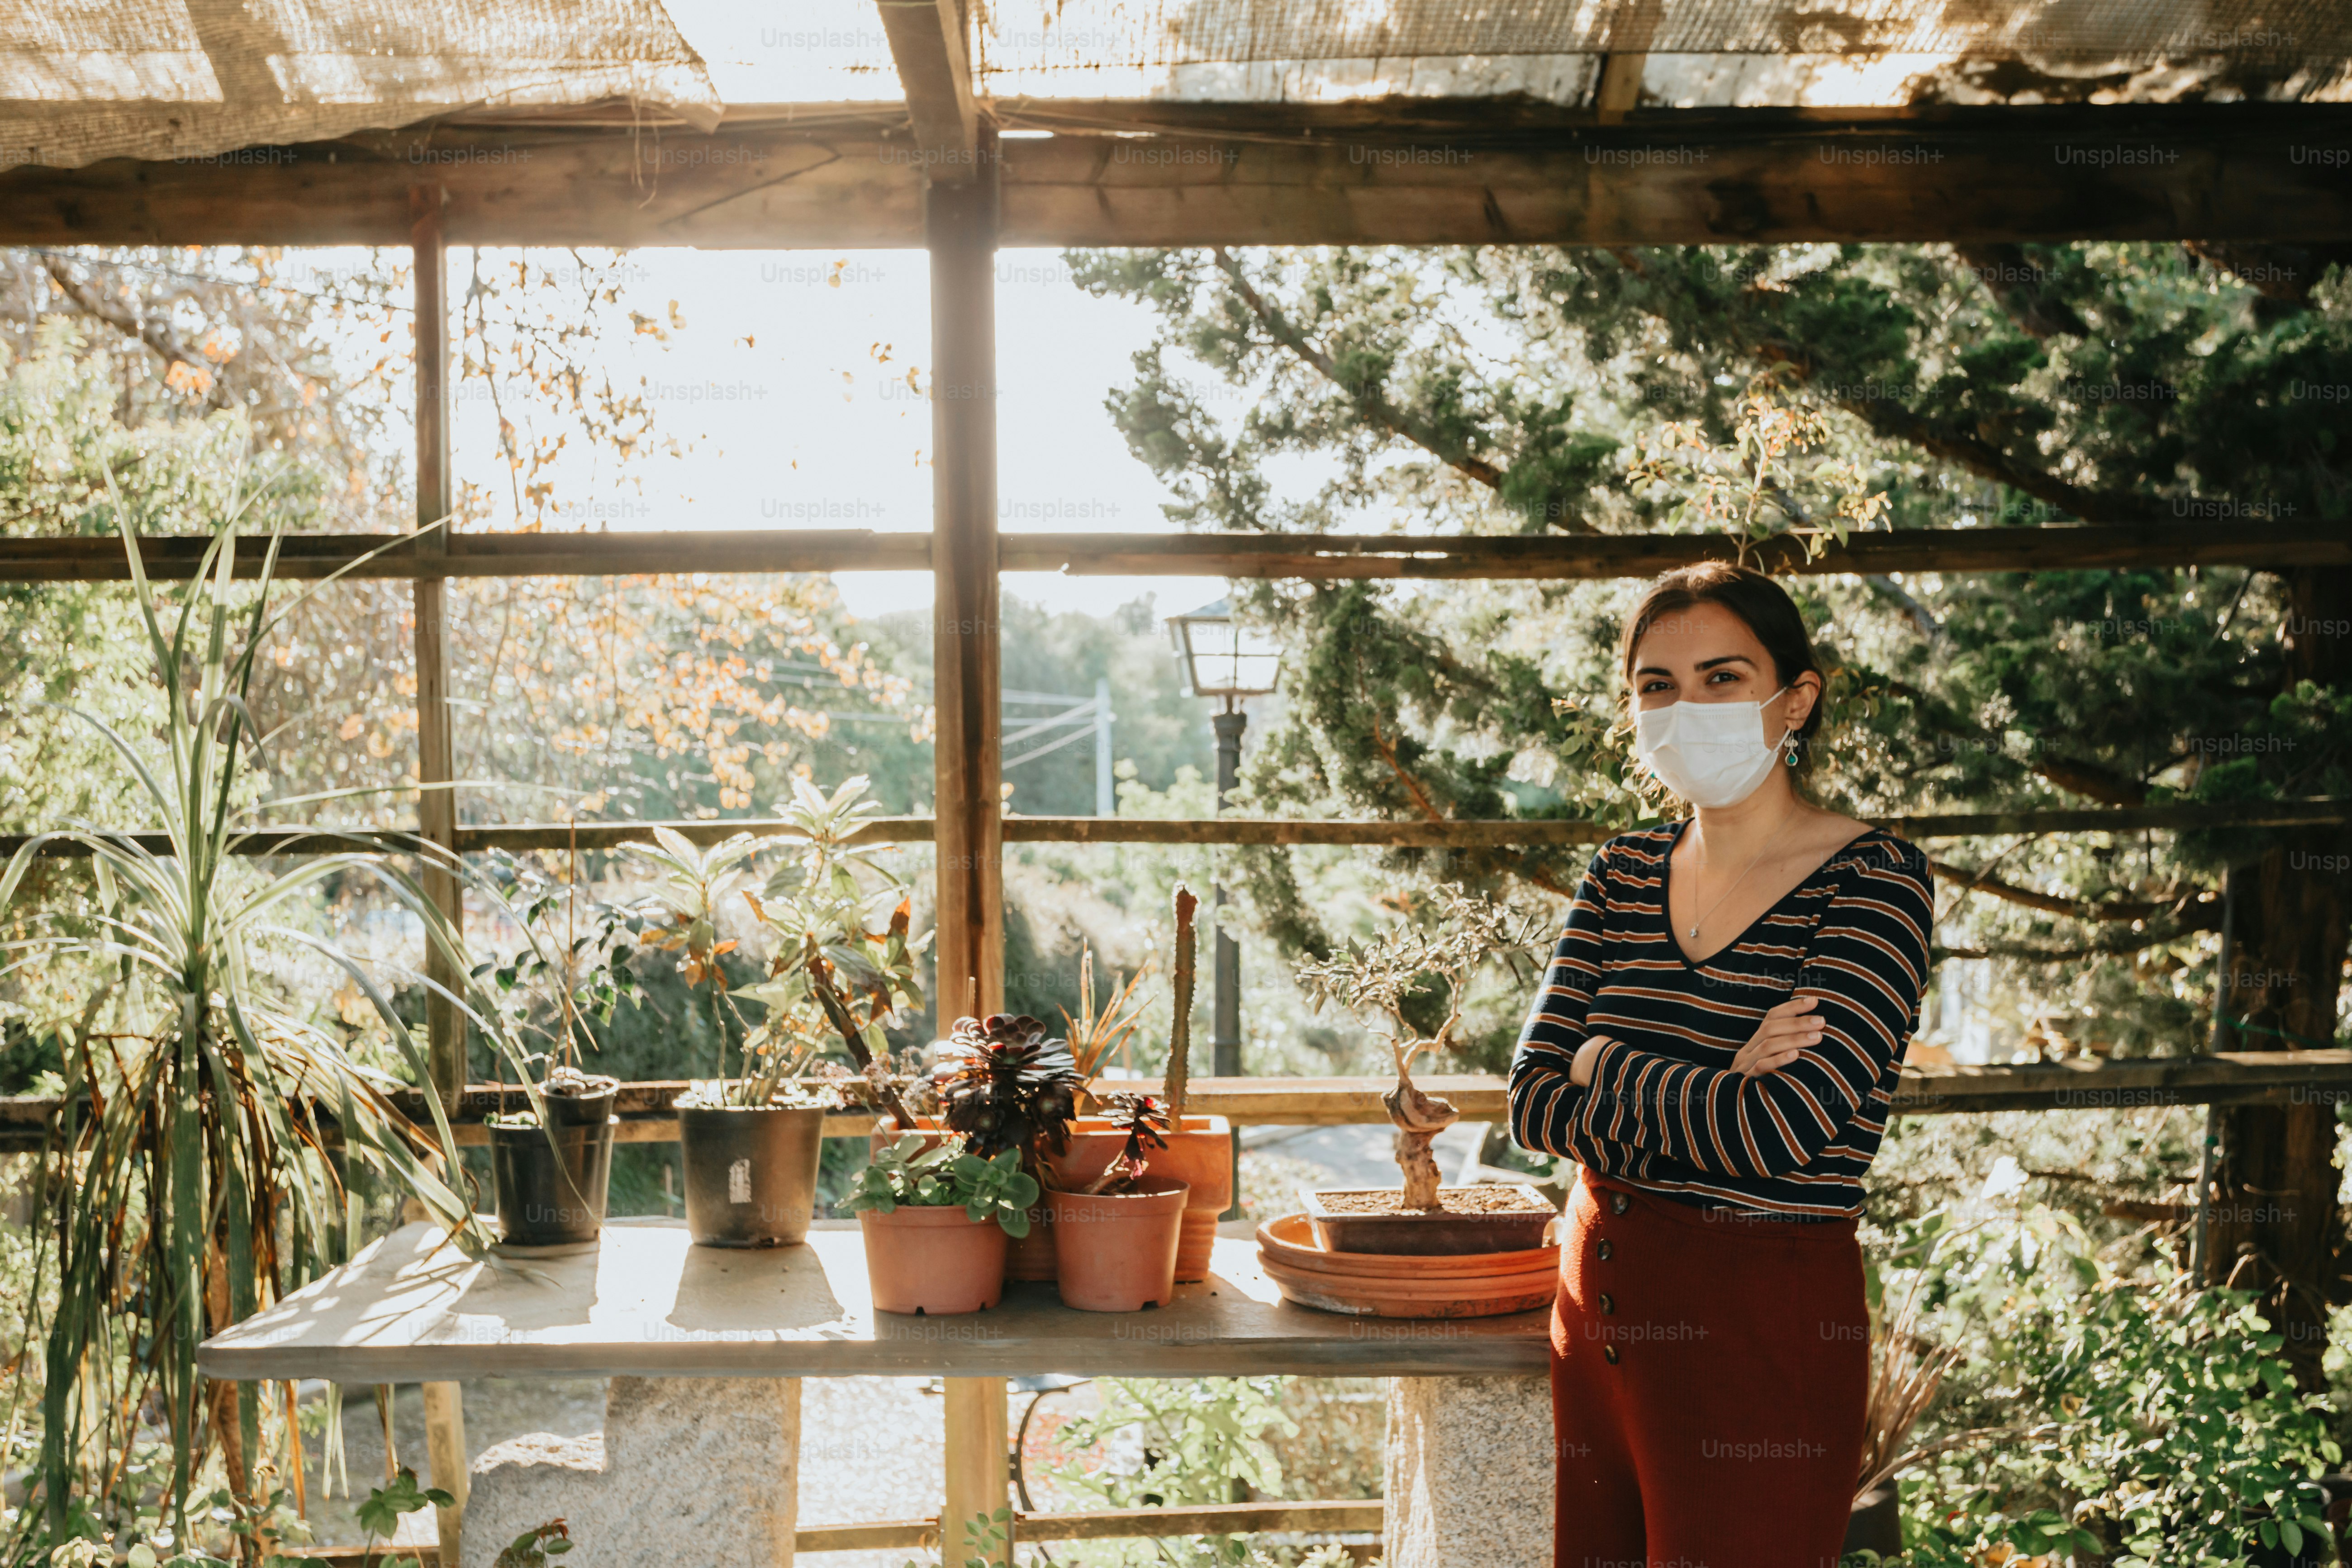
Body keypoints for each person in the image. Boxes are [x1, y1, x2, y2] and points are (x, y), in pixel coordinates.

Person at [1508, 561, 1934, 1568]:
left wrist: (1605, 1059)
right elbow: (1528, 1100)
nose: (1683, 705)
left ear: (1795, 697)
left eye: (1720, 677)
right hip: (1596, 1304)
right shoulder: (1618, 873)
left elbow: (1775, 1133)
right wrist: (1714, 1078)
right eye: (1656, 685)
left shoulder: (1874, 880)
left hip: (1756, 1325)